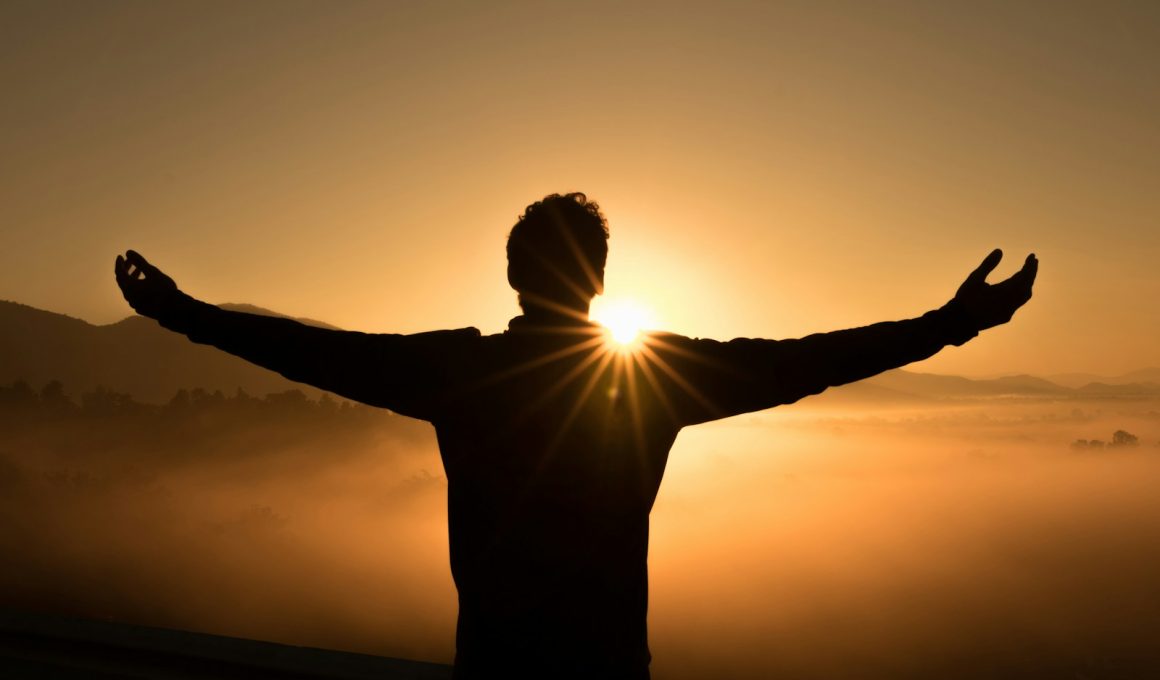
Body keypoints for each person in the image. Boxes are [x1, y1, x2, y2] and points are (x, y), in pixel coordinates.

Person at [115, 192, 1037, 679]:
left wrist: (183, 315)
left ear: (513, 273)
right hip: (605, 674)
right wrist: (949, 324)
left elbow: (311, 353)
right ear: (598, 279)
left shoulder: (462, 374)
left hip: (493, 670)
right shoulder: (654, 378)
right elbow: (807, 360)